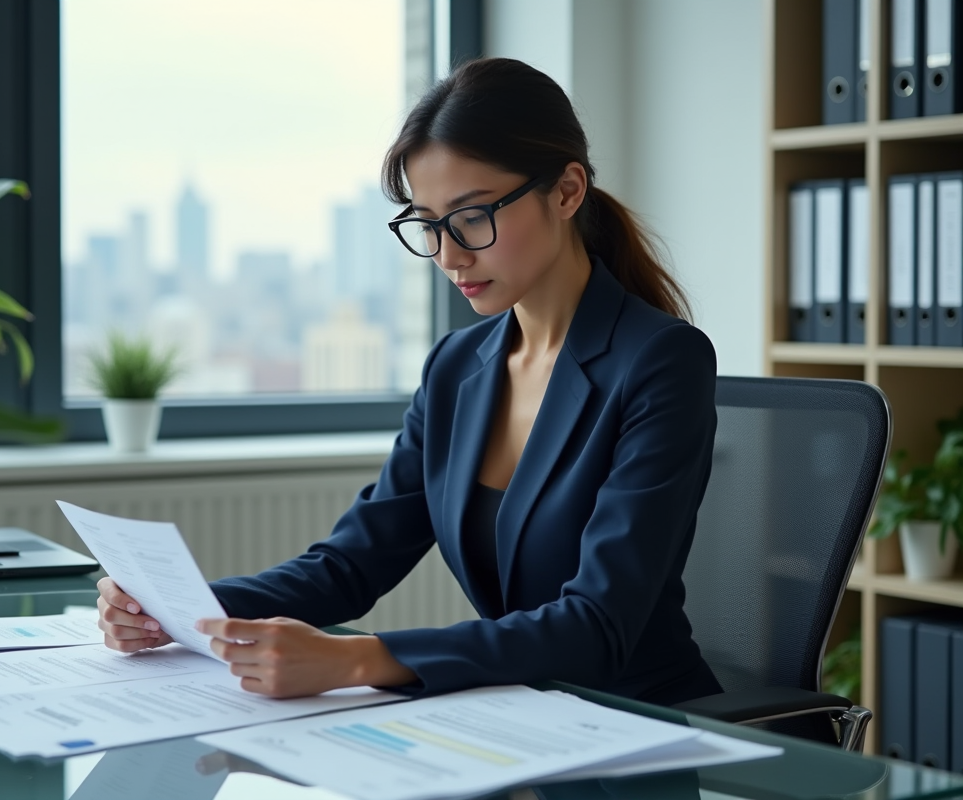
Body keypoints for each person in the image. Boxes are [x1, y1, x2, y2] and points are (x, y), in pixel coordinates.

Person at [97, 57, 724, 707]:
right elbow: (351, 564)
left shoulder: (660, 361)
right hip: (511, 708)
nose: (449, 255)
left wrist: (358, 659)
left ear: (567, 192)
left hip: (642, 719)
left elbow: (599, 623)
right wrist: (179, 609)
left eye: (472, 216)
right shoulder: (458, 367)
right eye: (427, 224)